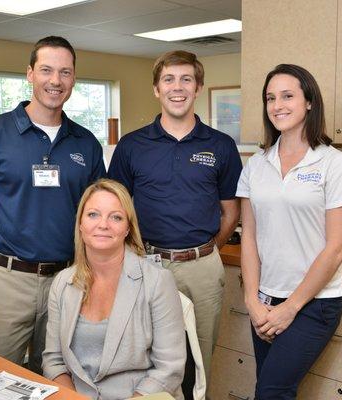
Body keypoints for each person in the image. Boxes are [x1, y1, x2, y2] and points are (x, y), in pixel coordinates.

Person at [0, 36, 106, 373]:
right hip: (6, 282)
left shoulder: (87, 143)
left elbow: (99, 220)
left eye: (65, 72)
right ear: (30, 74)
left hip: (68, 279)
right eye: (47, 70)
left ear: (73, 79)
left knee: (58, 376)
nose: (56, 81)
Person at [108, 50, 242, 381]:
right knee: (143, 356)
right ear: (157, 88)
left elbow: (231, 210)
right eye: (168, 79)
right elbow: (115, 210)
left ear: (198, 88)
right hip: (146, 265)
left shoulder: (221, 145)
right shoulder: (131, 146)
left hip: (203, 268)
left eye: (186, 79)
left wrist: (208, 250)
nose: (177, 87)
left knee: (200, 359)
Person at [236, 64, 342, 399]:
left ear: (309, 101)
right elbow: (249, 235)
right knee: (269, 387)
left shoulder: (333, 163)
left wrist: (290, 307)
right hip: (264, 299)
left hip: (313, 303)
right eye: (270, 98)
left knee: (272, 391)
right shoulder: (256, 164)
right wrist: (252, 299)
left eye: (287, 96)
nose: (277, 105)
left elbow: (337, 247)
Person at [42, 179, 186, 399]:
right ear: (80, 224)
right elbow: (54, 361)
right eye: (93, 215)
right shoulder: (62, 283)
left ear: (128, 228)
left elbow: (169, 369)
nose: (103, 224)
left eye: (116, 217)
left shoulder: (157, 282)